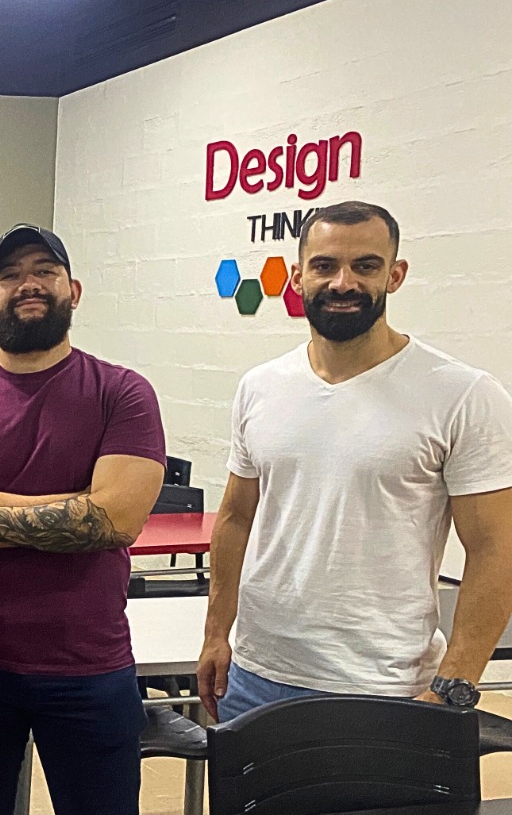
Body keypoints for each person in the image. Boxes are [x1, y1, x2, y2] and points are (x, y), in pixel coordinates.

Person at [199, 201, 512, 721]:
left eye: (365, 266)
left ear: (395, 275)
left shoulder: (462, 394)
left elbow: (496, 550)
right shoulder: (260, 387)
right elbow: (236, 517)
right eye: (324, 266)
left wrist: (455, 685)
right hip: (255, 677)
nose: (342, 283)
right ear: (298, 277)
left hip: (387, 687)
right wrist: (216, 633)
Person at [0, 224, 165, 815]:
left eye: (45, 271)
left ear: (73, 290)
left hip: (88, 664)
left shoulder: (123, 392)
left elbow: (118, 521)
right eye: (11, 275)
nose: (28, 284)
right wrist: (81, 508)